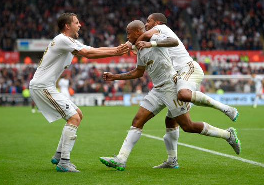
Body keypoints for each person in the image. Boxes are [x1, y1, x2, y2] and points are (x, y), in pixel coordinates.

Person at [99, 20, 241, 171]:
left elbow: (173, 41)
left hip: (171, 88)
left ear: (137, 32)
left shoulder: (153, 38)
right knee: (138, 120)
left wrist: (151, 44)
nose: (127, 36)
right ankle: (121, 159)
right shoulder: (139, 49)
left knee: (188, 126)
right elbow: (138, 72)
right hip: (157, 90)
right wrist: (115, 77)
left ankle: (227, 135)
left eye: (129, 33)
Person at [29, 12, 129, 172]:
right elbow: (89, 54)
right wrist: (117, 52)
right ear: (67, 26)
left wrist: (117, 49)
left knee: (78, 114)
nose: (80, 25)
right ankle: (64, 162)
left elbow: (93, 50)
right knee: (74, 118)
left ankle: (58, 155)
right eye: (76, 22)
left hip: (46, 86)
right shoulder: (63, 40)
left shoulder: (68, 42)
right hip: (42, 86)